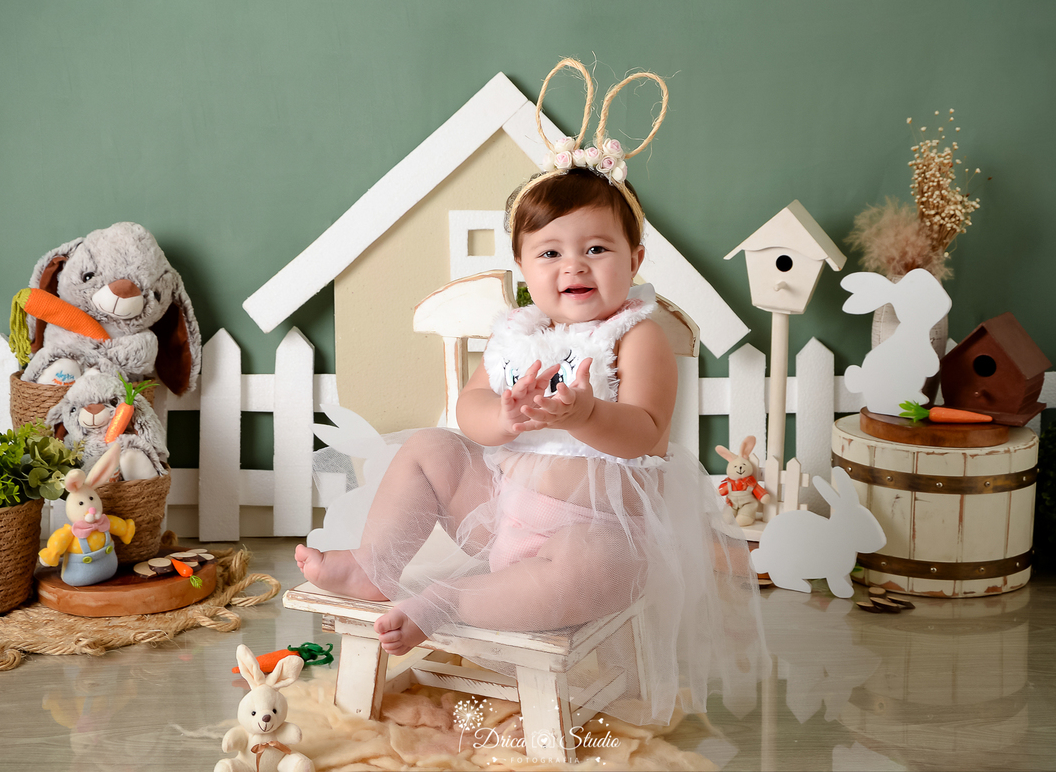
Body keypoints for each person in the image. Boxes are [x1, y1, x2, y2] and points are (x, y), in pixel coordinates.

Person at [296, 59, 762, 725]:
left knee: (588, 566)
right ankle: (377, 565)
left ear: (634, 261)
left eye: (597, 249)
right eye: (549, 254)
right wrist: (503, 418)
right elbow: (471, 411)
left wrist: (588, 414)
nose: (572, 264)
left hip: (602, 527)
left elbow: (649, 432)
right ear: (523, 271)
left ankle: (452, 601)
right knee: (430, 447)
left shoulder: (638, 337)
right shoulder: (518, 336)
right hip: (503, 506)